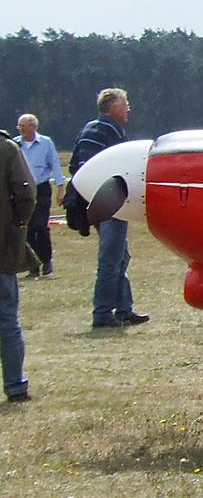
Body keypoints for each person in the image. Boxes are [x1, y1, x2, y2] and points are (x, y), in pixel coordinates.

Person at [73, 88, 146, 330]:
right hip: (109, 204)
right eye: (125, 103)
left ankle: (124, 309)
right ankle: (102, 313)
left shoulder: (106, 130)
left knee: (121, 257)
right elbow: (86, 168)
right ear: (113, 107)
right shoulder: (100, 131)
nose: (128, 108)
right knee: (110, 260)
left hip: (110, 203)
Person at [2, 129, 34, 400]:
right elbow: (26, 194)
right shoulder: (7, 149)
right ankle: (15, 386)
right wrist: (18, 227)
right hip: (2, 250)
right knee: (7, 320)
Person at [15, 113, 64, 278]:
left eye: (24, 126)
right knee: (26, 228)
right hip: (23, 191)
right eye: (19, 126)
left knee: (40, 226)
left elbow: (55, 165)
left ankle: (46, 259)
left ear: (33, 127)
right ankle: (33, 265)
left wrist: (61, 188)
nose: (21, 129)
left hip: (41, 189)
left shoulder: (46, 143)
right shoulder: (15, 144)